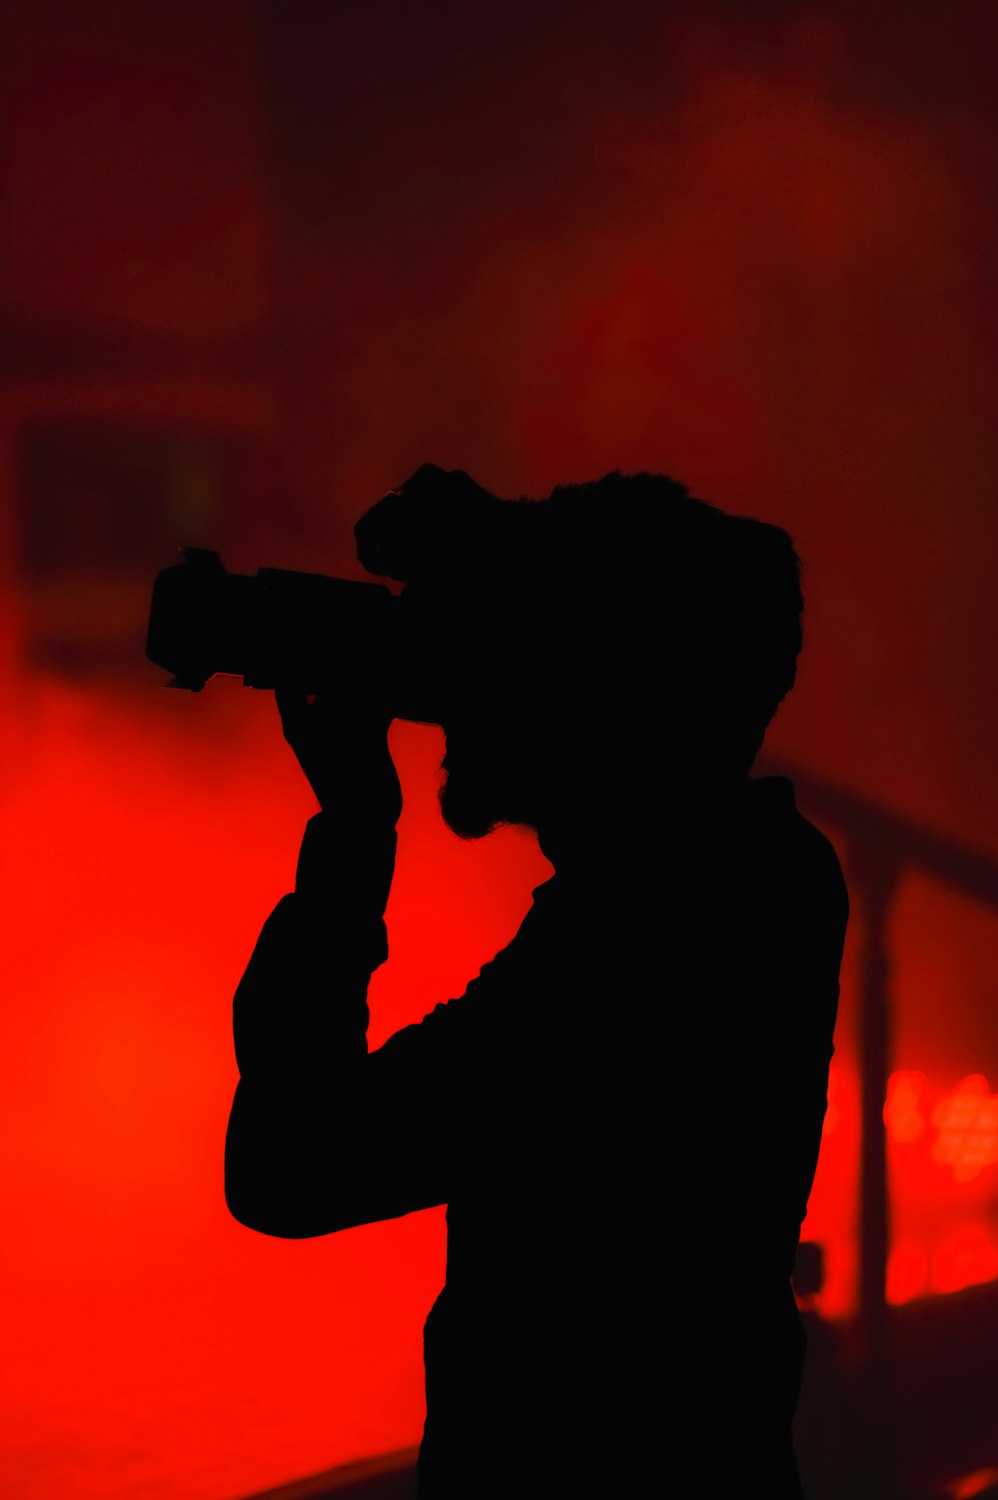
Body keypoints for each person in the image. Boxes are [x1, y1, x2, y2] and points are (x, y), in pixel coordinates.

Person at [224, 464, 850, 1497]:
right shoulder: (765, 878)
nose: (452, 695)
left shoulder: (622, 954)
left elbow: (290, 1169)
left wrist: (350, 838)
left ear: (591, 692)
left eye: (494, 654)